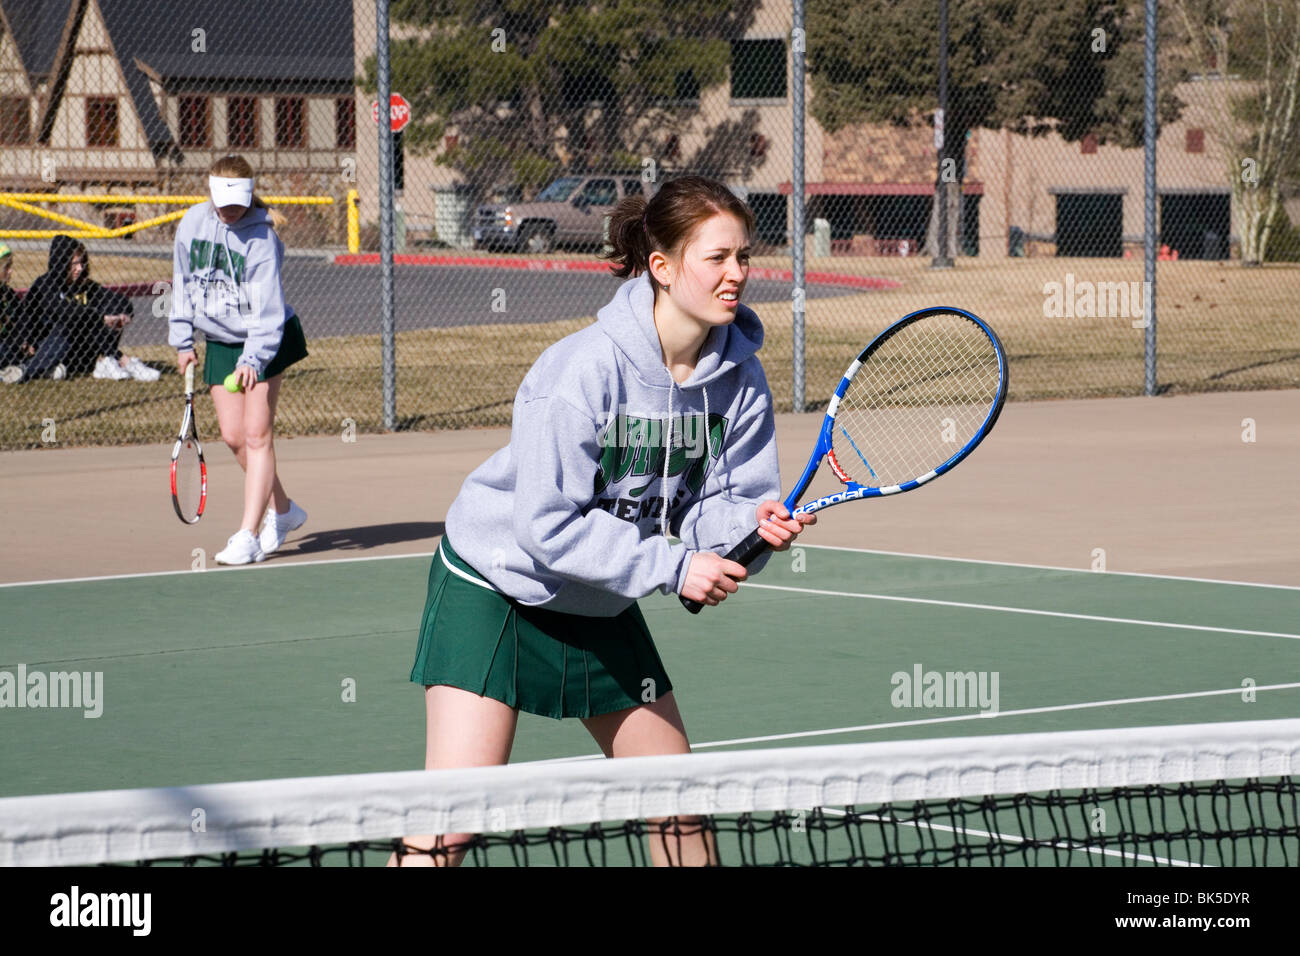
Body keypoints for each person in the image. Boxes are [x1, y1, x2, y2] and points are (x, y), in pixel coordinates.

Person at [393, 176, 815, 867]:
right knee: (450, 825)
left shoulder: (741, 380)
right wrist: (677, 566)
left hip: (600, 593)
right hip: (497, 586)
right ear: (663, 266)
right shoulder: (582, 370)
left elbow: (715, 506)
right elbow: (547, 527)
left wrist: (750, 529)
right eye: (717, 257)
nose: (737, 273)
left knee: (677, 807)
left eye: (744, 256)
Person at [169, 155, 308, 565]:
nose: (230, 211)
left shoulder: (262, 238)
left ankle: (248, 534)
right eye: (222, 202)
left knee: (257, 434)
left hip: (265, 339)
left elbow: (267, 309)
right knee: (233, 437)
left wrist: (253, 359)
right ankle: (283, 511)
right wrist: (182, 339)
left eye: (237, 202)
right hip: (219, 340)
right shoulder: (193, 224)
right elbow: (182, 283)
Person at [1, 236, 158, 384]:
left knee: (91, 314)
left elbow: (118, 300)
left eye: (82, 263)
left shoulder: (83, 285)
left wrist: (121, 314)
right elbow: (63, 311)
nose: (80, 268)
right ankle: (120, 360)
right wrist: (100, 318)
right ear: (63, 262)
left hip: (72, 352)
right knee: (72, 321)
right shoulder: (44, 285)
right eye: (74, 263)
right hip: (41, 347)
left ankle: (108, 360)